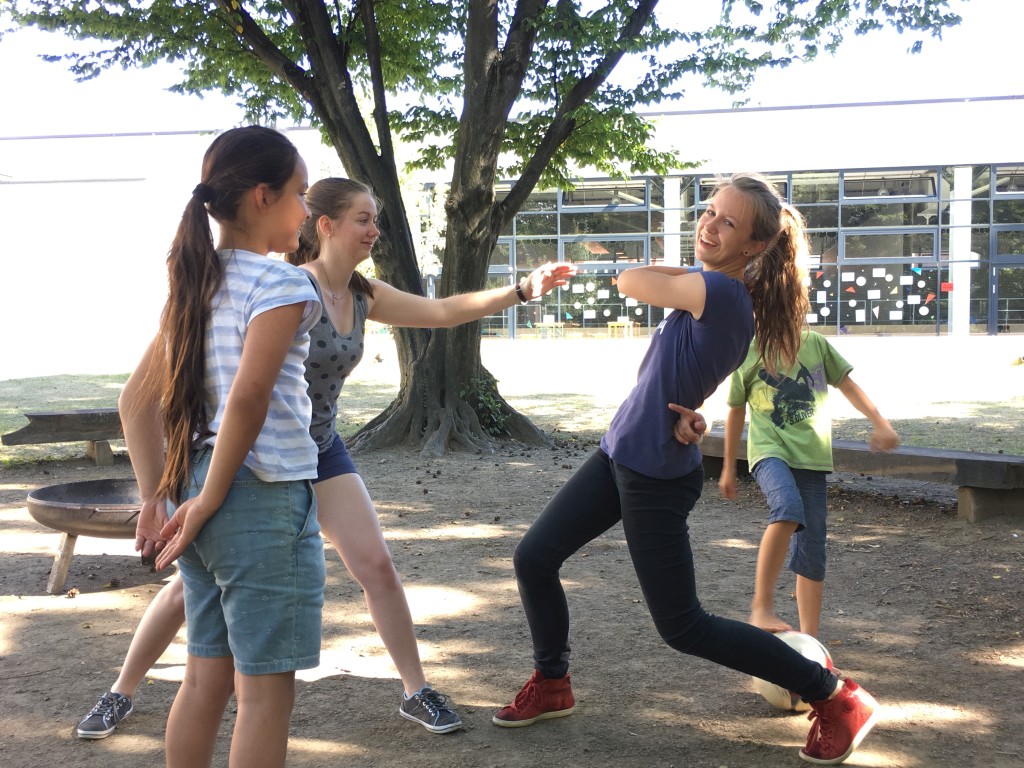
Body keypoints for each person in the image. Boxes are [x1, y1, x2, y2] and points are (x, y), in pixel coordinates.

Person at [76, 176, 574, 740]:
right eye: (364, 218)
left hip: (320, 450)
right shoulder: (286, 286)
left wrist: (522, 291)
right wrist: (168, 486)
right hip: (257, 461)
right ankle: (121, 690)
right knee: (189, 590)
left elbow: (441, 312)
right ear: (327, 225)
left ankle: (416, 690)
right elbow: (222, 389)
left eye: (375, 219)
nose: (375, 229)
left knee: (376, 566)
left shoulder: (362, 294)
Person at [492, 173, 880, 766]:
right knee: (534, 558)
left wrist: (682, 272)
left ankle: (836, 696)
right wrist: (694, 413)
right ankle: (552, 683)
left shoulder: (719, 292)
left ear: (755, 245)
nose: (710, 225)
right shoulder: (713, 289)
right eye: (709, 211)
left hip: (653, 475)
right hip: (620, 453)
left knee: (683, 627)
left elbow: (629, 279)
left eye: (729, 222)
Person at [119, 125, 325, 768]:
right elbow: (248, 398)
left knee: (204, 679)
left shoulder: (193, 287)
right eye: (300, 193)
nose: (307, 210)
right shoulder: (283, 284)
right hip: (258, 497)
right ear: (262, 196)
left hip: (196, 492)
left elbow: (134, 403)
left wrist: (158, 496)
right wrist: (206, 499)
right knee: (264, 694)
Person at [718, 330, 899, 638]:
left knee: (812, 554)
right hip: (769, 452)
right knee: (787, 507)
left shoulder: (815, 344)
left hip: (812, 459)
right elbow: (736, 409)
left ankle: (811, 644)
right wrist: (727, 467)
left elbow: (847, 385)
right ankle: (761, 605)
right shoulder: (747, 352)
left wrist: (880, 423)